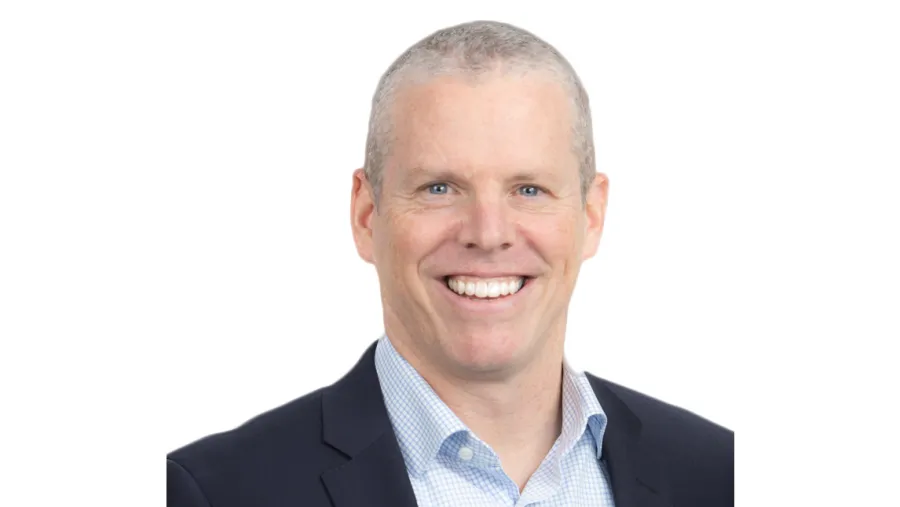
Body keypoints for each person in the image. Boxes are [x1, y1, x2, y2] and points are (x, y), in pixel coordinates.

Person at [167, 20, 733, 507]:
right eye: (439, 188)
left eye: (529, 190)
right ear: (367, 215)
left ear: (591, 214)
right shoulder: (216, 493)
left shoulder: (723, 476)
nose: (488, 233)